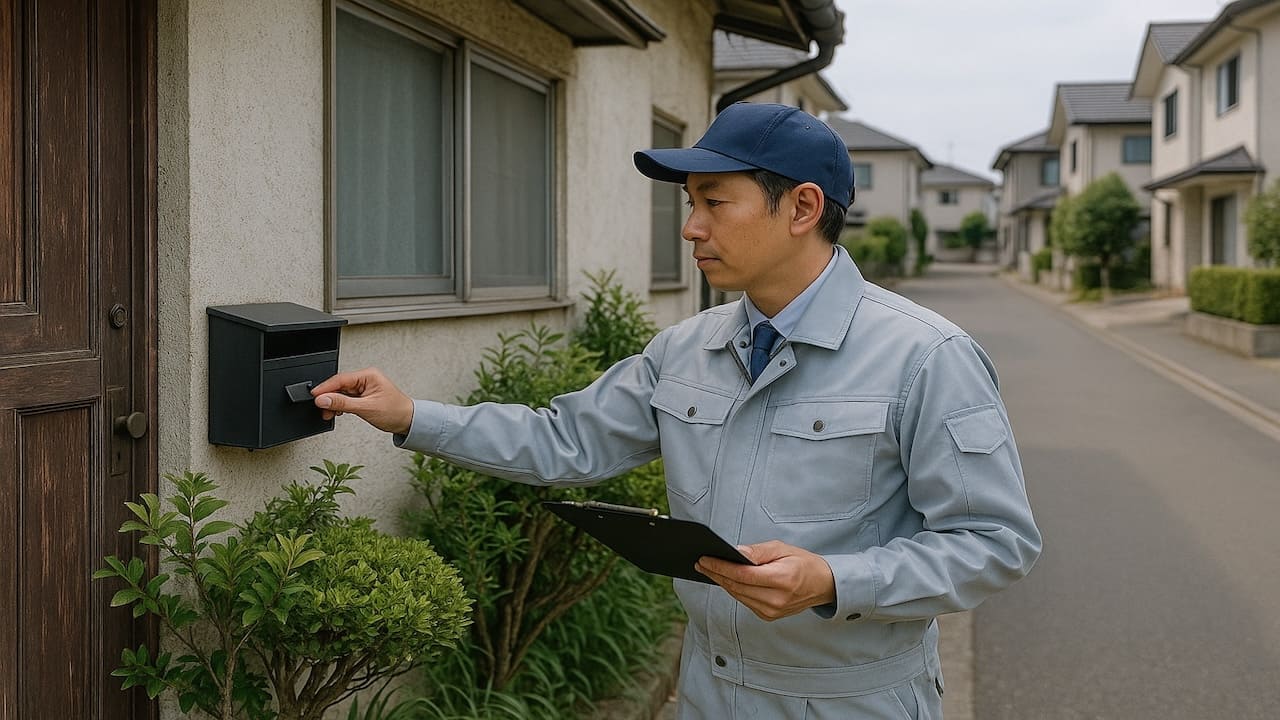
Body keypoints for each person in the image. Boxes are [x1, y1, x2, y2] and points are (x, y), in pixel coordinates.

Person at [312, 102, 1041, 719]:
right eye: (690, 204)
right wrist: (409, 414)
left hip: (850, 701)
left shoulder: (925, 355)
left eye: (714, 201)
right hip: (707, 692)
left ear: (803, 207)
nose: (691, 227)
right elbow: (565, 441)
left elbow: (994, 540)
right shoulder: (686, 349)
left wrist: (834, 580)